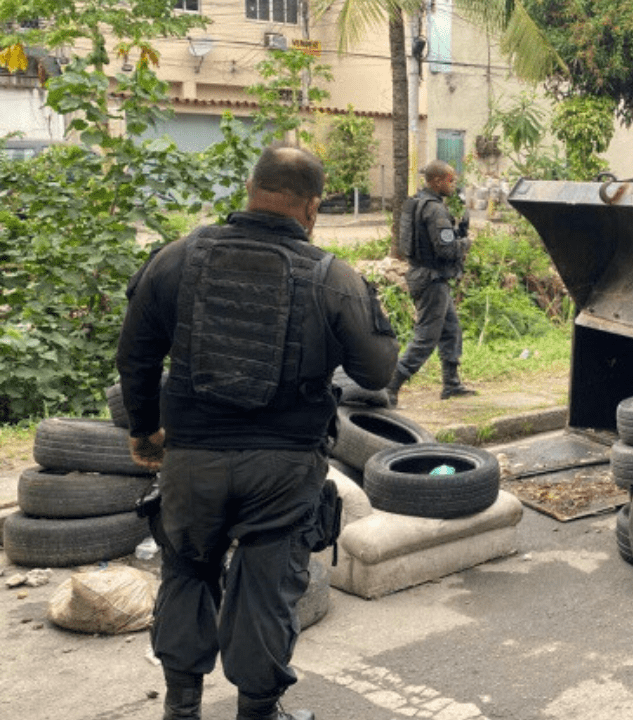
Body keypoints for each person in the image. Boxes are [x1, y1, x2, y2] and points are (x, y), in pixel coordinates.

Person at [116, 144, 399, 720]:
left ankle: (182, 708)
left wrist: (145, 432)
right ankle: (258, 712)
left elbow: (135, 358)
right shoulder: (332, 277)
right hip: (283, 466)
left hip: (192, 459)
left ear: (250, 189)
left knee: (187, 573)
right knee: (269, 586)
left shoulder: (176, 258)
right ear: (313, 208)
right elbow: (377, 371)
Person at [385, 159, 477, 405]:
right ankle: (391, 385)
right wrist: (466, 242)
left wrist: (459, 229)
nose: (453, 184)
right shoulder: (435, 209)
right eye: (450, 180)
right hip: (431, 280)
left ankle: (451, 384)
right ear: (437, 181)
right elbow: (446, 250)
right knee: (426, 337)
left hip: (426, 276)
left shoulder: (416, 202)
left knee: (451, 330)